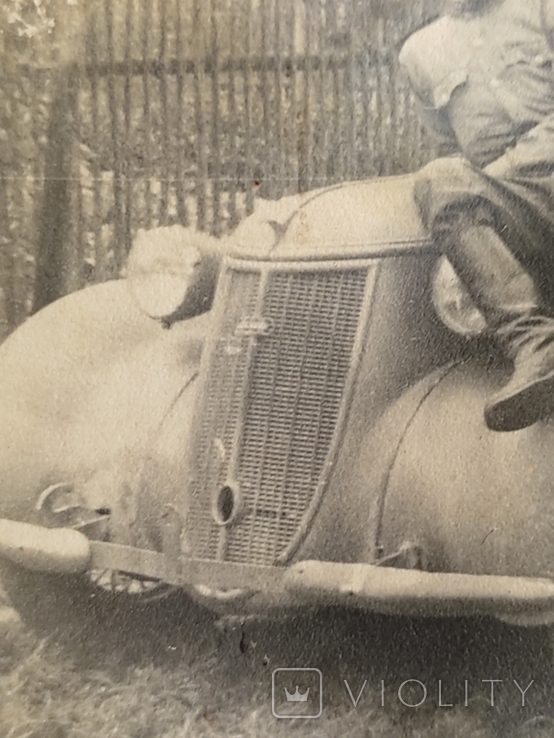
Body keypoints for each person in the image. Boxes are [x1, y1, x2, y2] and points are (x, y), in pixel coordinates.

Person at [399, 0, 554, 431]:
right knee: (438, 178)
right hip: (517, 206)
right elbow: (448, 150)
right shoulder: (420, 52)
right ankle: (537, 345)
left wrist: (501, 173)